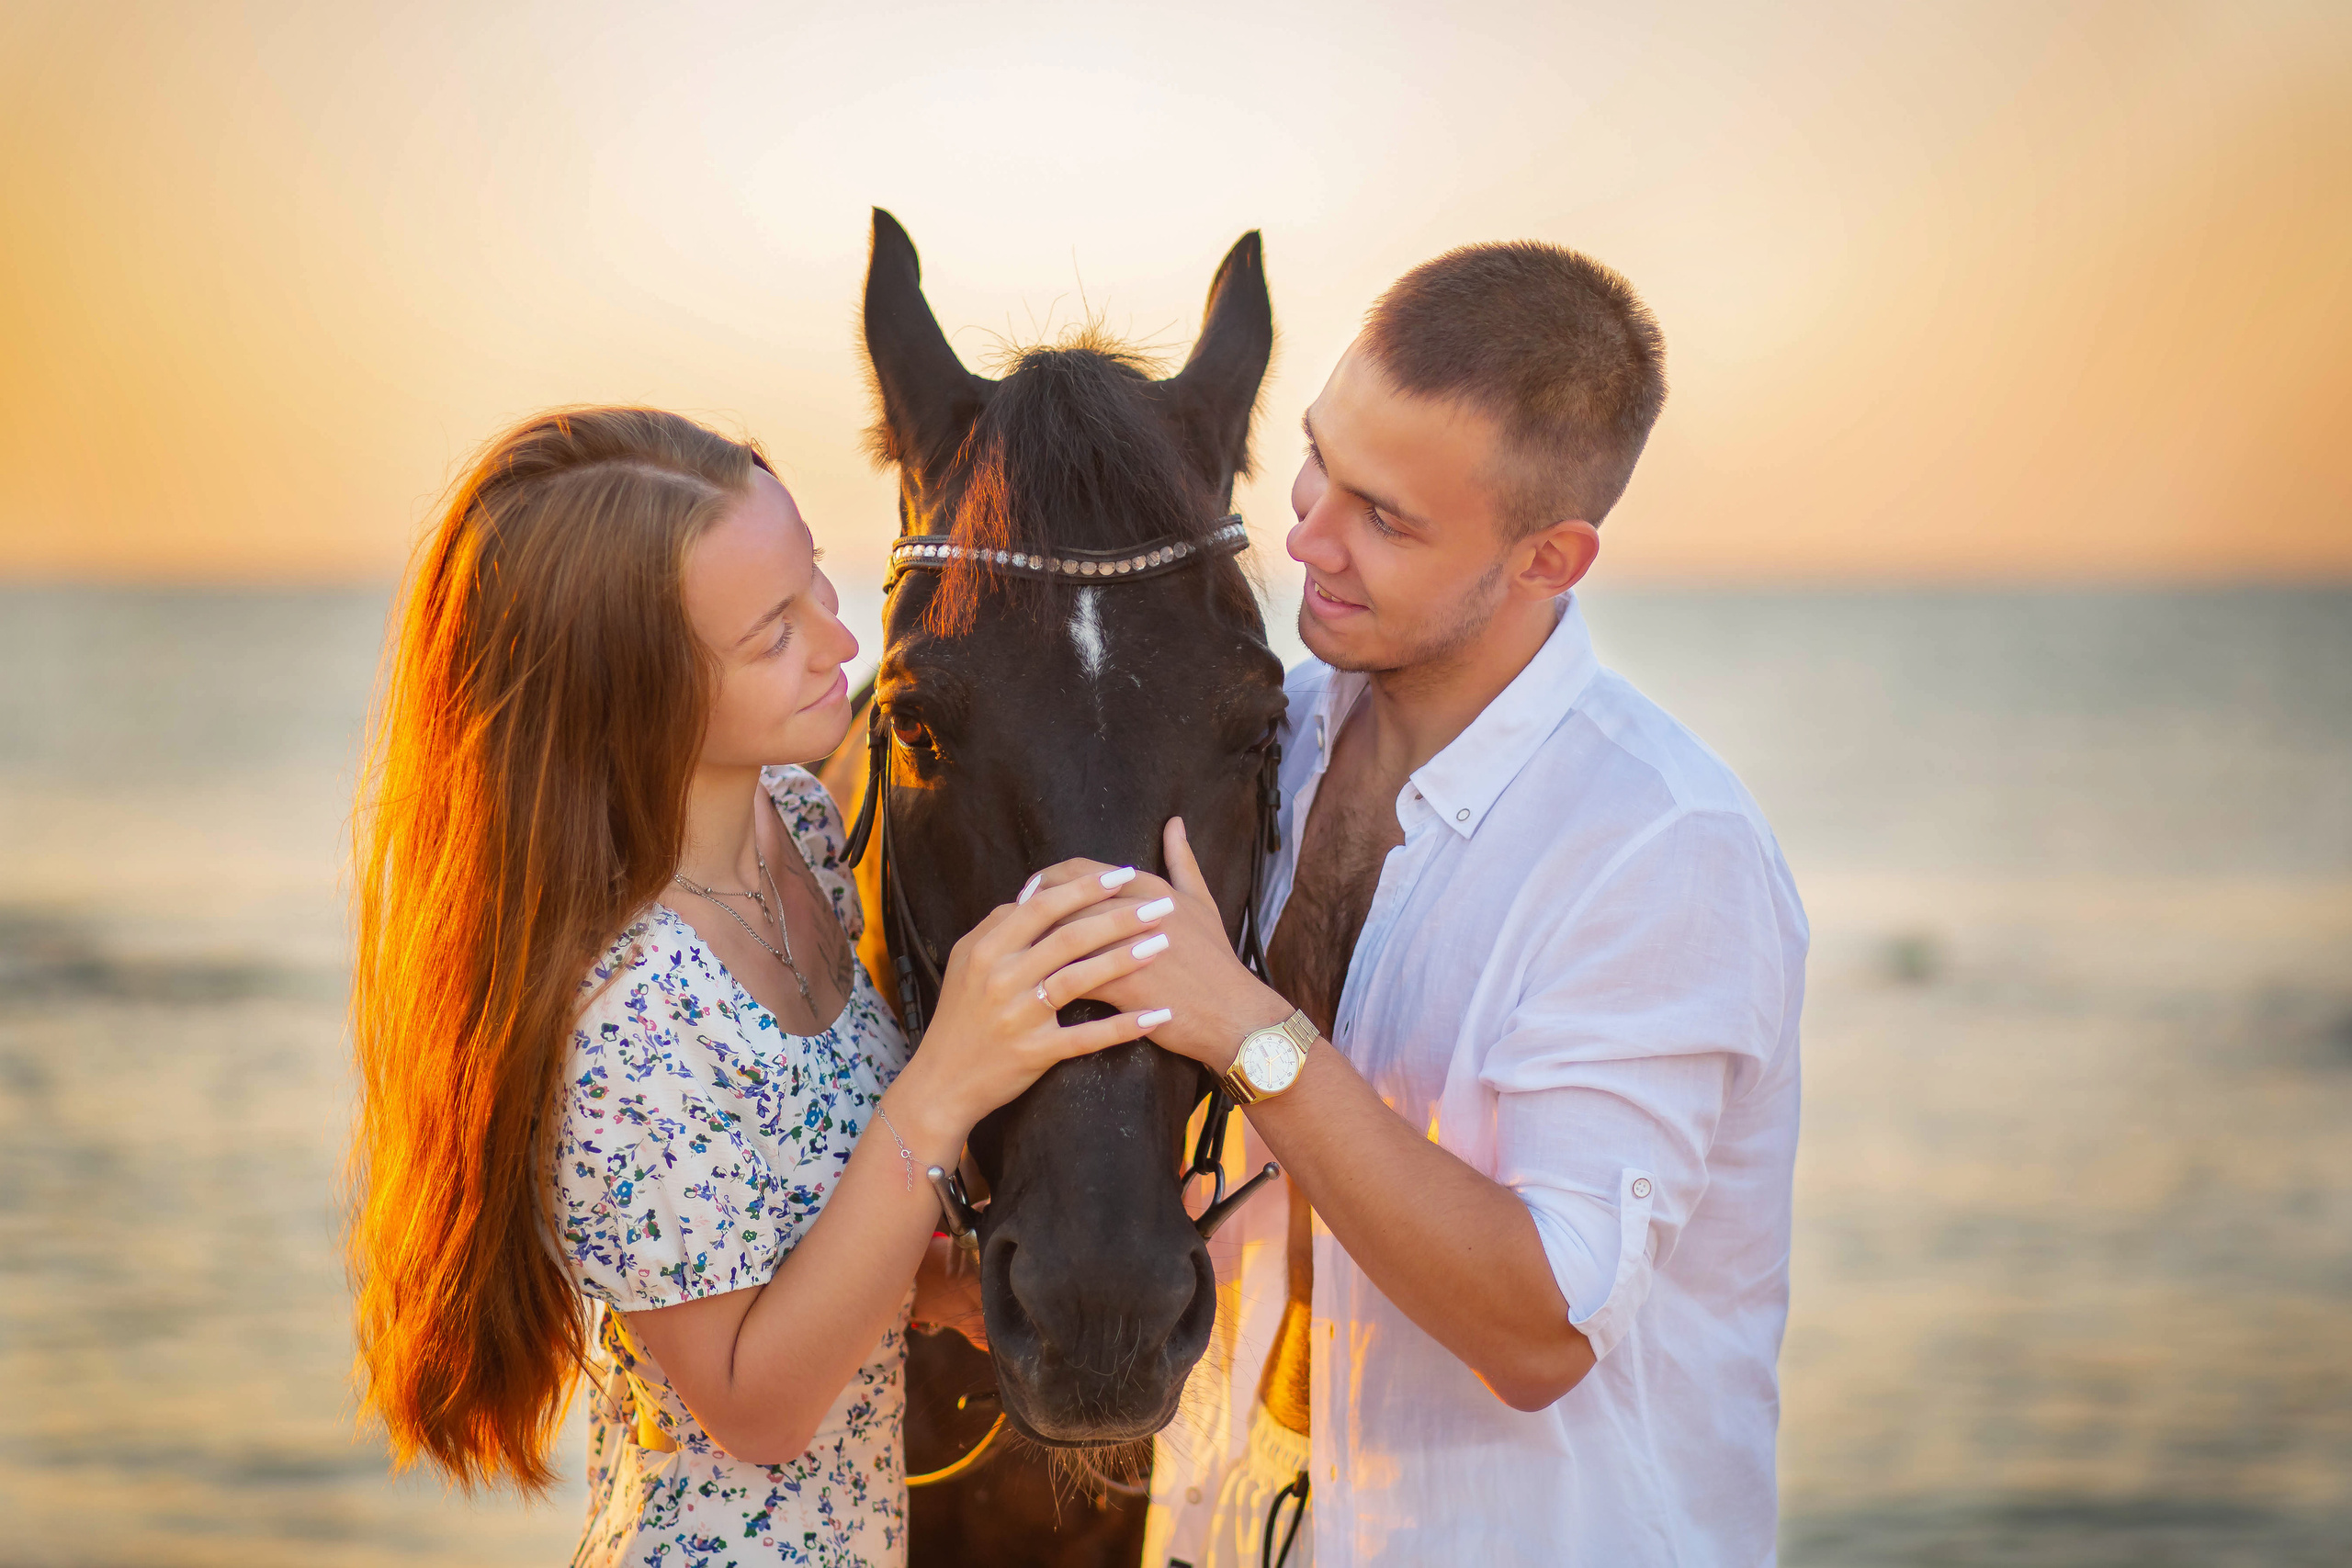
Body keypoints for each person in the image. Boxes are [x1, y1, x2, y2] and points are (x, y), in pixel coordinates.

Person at [1051, 244, 1809, 1564]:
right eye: (1317, 461)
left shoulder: (1657, 848)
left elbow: (1541, 1327)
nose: (1306, 534)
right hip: (1229, 1526)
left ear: (1548, 556)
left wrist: (1246, 1025)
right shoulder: (1268, 743)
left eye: (1386, 518)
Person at [346, 407, 1181, 1565]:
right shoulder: (621, 1012)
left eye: (818, 586)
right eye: (771, 635)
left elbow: (801, 1236)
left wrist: (965, 1285)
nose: (844, 646)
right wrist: (943, 1084)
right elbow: (755, 1404)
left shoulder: (796, 829)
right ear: (631, 696)